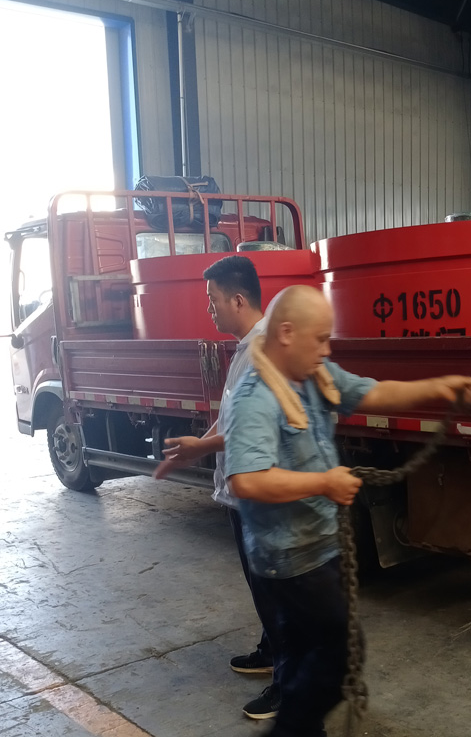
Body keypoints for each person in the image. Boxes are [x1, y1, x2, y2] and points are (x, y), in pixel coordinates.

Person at [224, 285, 471, 737]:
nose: (327, 350)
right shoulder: (256, 397)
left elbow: (373, 394)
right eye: (320, 339)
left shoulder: (313, 376)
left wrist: (438, 388)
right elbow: (247, 480)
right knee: (342, 653)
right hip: (290, 559)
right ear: (287, 333)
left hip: (318, 546)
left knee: (306, 654)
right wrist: (324, 483)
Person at [153, 254, 282, 720]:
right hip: (240, 492)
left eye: (213, 300)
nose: (209, 309)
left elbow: (259, 426)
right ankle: (271, 651)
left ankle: (289, 686)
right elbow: (230, 417)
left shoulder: (265, 352)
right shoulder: (245, 349)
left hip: (260, 495)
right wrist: (196, 448)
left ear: (238, 300)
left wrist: (201, 447)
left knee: (275, 591)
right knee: (261, 587)